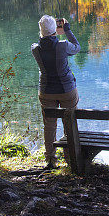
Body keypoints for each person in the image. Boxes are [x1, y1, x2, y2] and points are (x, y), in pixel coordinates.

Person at [32, 15, 80, 169]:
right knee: (69, 124)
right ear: (55, 31)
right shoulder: (63, 45)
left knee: (49, 126)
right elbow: (77, 47)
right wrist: (67, 30)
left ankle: (51, 160)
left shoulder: (35, 49)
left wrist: (49, 33)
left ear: (41, 32)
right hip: (66, 90)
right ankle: (70, 158)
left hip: (46, 91)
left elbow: (44, 42)